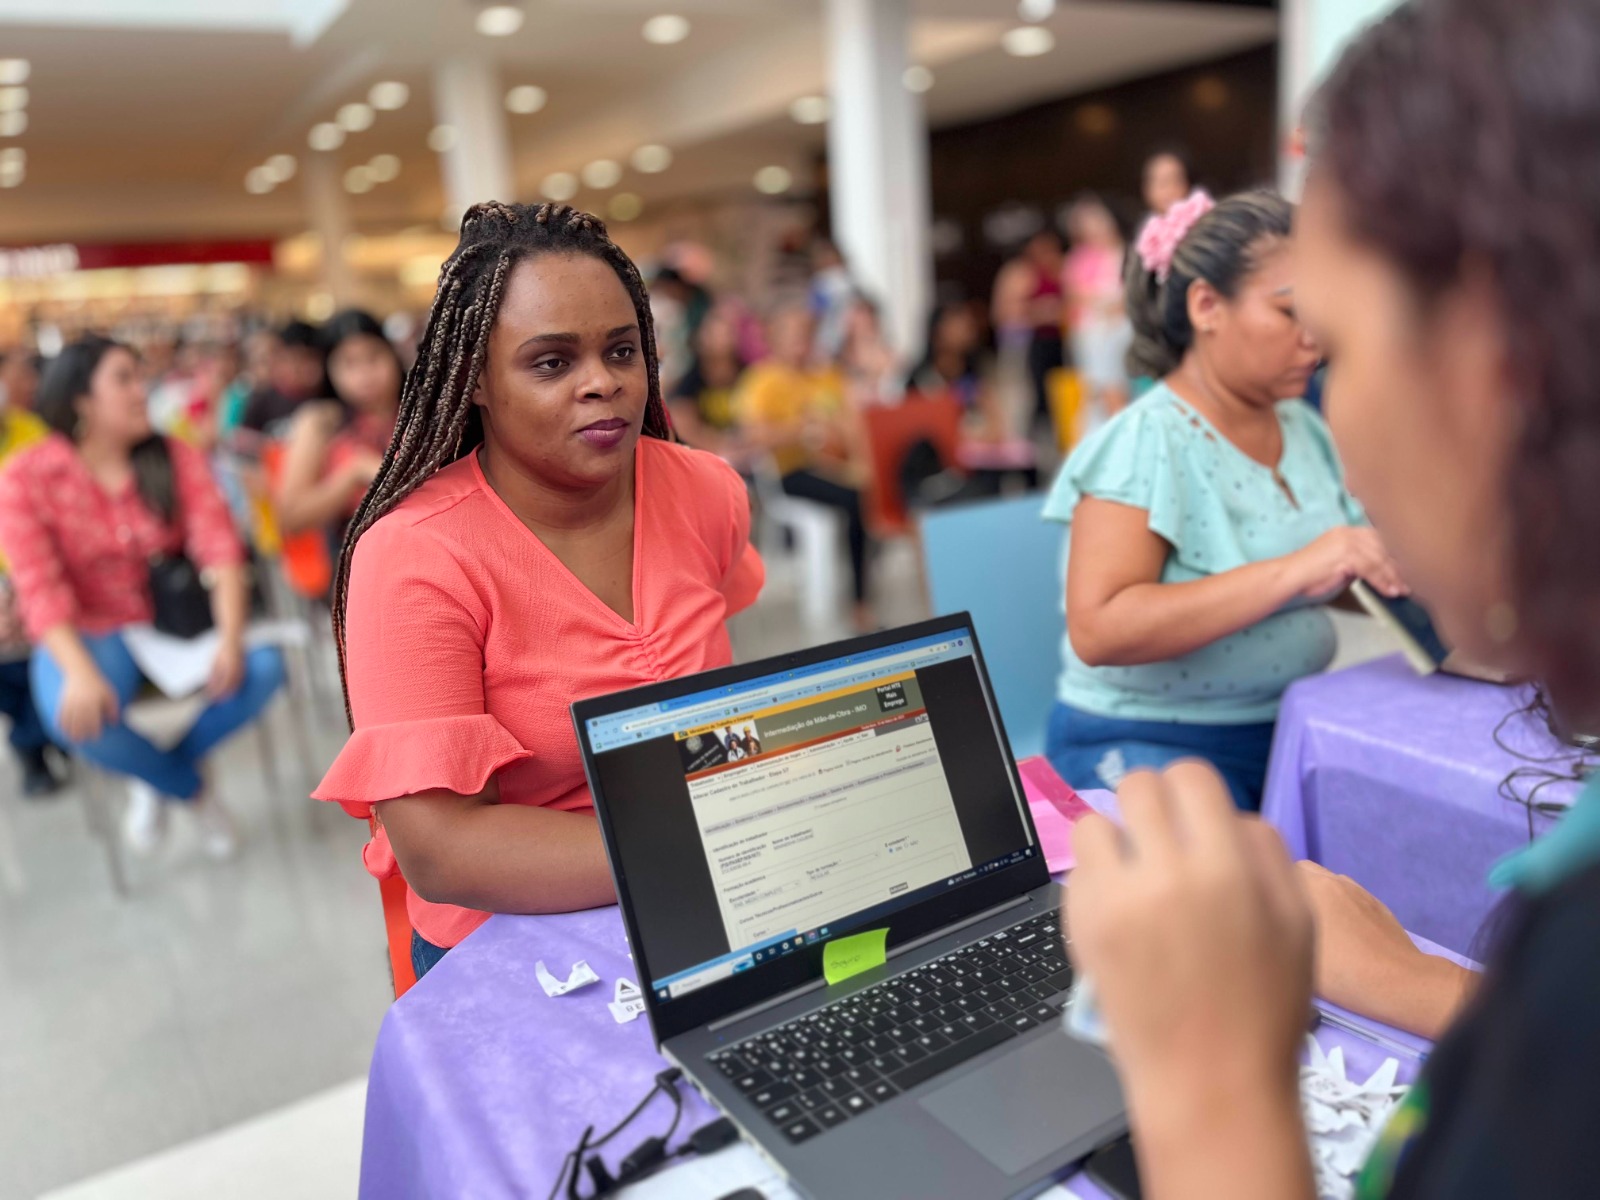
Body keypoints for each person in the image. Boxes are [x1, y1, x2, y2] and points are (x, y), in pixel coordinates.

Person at [1066, 2, 1600, 1196]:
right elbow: (1101, 624)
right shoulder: (1148, 441)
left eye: (1343, 344)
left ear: (1488, 368)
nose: (1324, 382)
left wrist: (1210, 1083)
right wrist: (1423, 985)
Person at [311, 203, 763, 981]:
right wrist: (703, 842)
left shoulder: (706, 490)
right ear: (476, 380)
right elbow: (442, 849)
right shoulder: (415, 555)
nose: (603, 383)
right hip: (514, 933)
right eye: (552, 363)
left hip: (713, 887)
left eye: (622, 351)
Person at [1043, 190, 1405, 811]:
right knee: (1235, 866)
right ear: (1207, 305)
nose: (1315, 338)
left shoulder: (1303, 428)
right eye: (1291, 312)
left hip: (1289, 729)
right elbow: (1099, 628)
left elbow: (1338, 568)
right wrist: (1301, 568)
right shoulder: (1147, 439)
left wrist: (1396, 568)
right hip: (1146, 740)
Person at [0, 337, 286, 856]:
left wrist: (230, 638)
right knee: (75, 715)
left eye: (139, 376)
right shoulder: (26, 476)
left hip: (171, 623)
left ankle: (154, 775)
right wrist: (80, 673)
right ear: (82, 399)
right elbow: (39, 586)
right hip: (88, 629)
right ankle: (187, 787)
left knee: (264, 668)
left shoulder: (173, 454)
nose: (141, 391)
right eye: (123, 379)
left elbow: (220, 550)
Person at [735, 305, 871, 630]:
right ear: (776, 339)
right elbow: (753, 436)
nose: (802, 343)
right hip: (788, 474)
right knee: (854, 500)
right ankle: (859, 602)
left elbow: (850, 421)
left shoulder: (825, 375)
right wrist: (802, 429)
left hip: (830, 465)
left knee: (868, 492)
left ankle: (861, 592)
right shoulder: (762, 380)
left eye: (806, 335)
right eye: (794, 336)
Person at [273, 310, 399, 541]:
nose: (365, 374)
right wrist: (354, 473)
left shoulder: (422, 411)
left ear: (393, 354)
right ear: (329, 370)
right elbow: (290, 516)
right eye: (349, 363)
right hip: (357, 551)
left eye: (374, 357)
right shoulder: (320, 421)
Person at [0, 353, 58, 796]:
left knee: (48, 660)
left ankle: (44, 736)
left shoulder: (31, 431)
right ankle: (32, 745)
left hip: (39, 570)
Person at [1062, 194, 1133, 434]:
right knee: (1099, 388)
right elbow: (1073, 294)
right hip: (1092, 333)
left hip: (1123, 330)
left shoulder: (1127, 253)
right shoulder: (1078, 258)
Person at [992, 229, 1066, 427]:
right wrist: (1038, 312)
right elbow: (1002, 312)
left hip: (1057, 343)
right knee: (1022, 394)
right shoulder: (1018, 273)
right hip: (1023, 343)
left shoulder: (1062, 269)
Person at [667, 304, 752, 464]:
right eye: (717, 333)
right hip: (706, 456)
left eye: (729, 332)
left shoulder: (749, 375)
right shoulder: (691, 379)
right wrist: (718, 448)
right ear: (702, 338)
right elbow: (682, 423)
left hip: (748, 453)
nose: (724, 339)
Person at [907, 298, 1003, 439]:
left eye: (966, 324)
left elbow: (996, 427)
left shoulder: (975, 379)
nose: (964, 329)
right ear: (936, 333)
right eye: (955, 324)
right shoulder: (920, 379)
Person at [238, 319, 325, 438]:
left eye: (309, 359)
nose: (299, 368)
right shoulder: (262, 401)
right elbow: (243, 441)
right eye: (293, 359)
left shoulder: (328, 401)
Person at [1141, 144, 1193, 217]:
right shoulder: (1148, 222)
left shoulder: (1200, 215)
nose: (1171, 190)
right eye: (1163, 184)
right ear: (1147, 190)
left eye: (1177, 182)